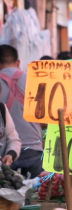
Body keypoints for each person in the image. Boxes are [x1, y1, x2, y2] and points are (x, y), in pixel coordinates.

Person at [0, 45, 44, 178]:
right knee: (37, 196)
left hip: (6, 154)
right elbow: (46, 117)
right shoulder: (34, 80)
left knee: (9, 194)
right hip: (34, 147)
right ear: (18, 62)